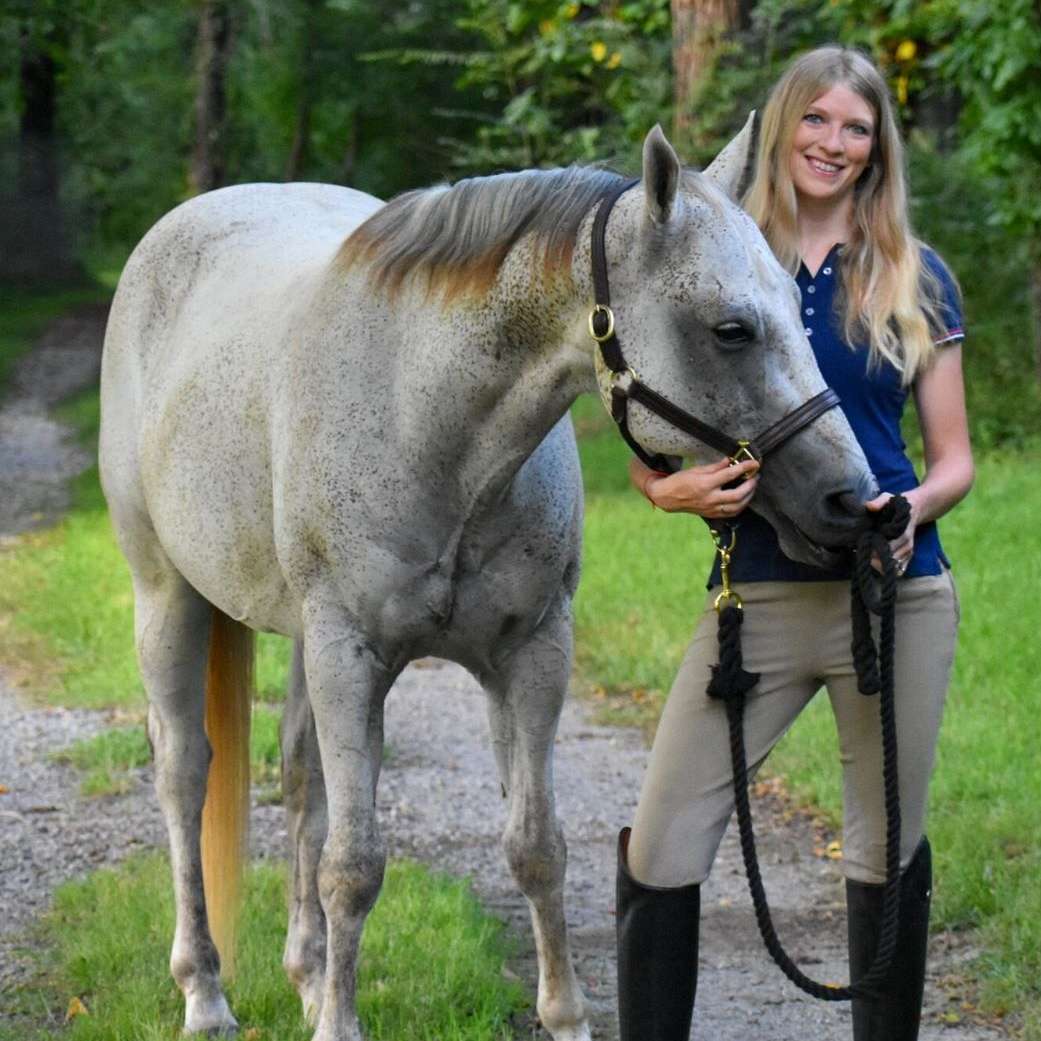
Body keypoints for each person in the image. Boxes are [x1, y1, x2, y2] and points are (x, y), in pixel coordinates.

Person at [615, 45, 974, 1041]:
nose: (834, 143)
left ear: (877, 148)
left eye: (856, 128)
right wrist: (665, 490)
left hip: (893, 598)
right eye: (816, 120)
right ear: (781, 128)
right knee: (660, 843)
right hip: (756, 597)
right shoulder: (725, 260)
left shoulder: (914, 272)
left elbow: (952, 459)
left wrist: (916, 512)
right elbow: (648, 425)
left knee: (883, 847)